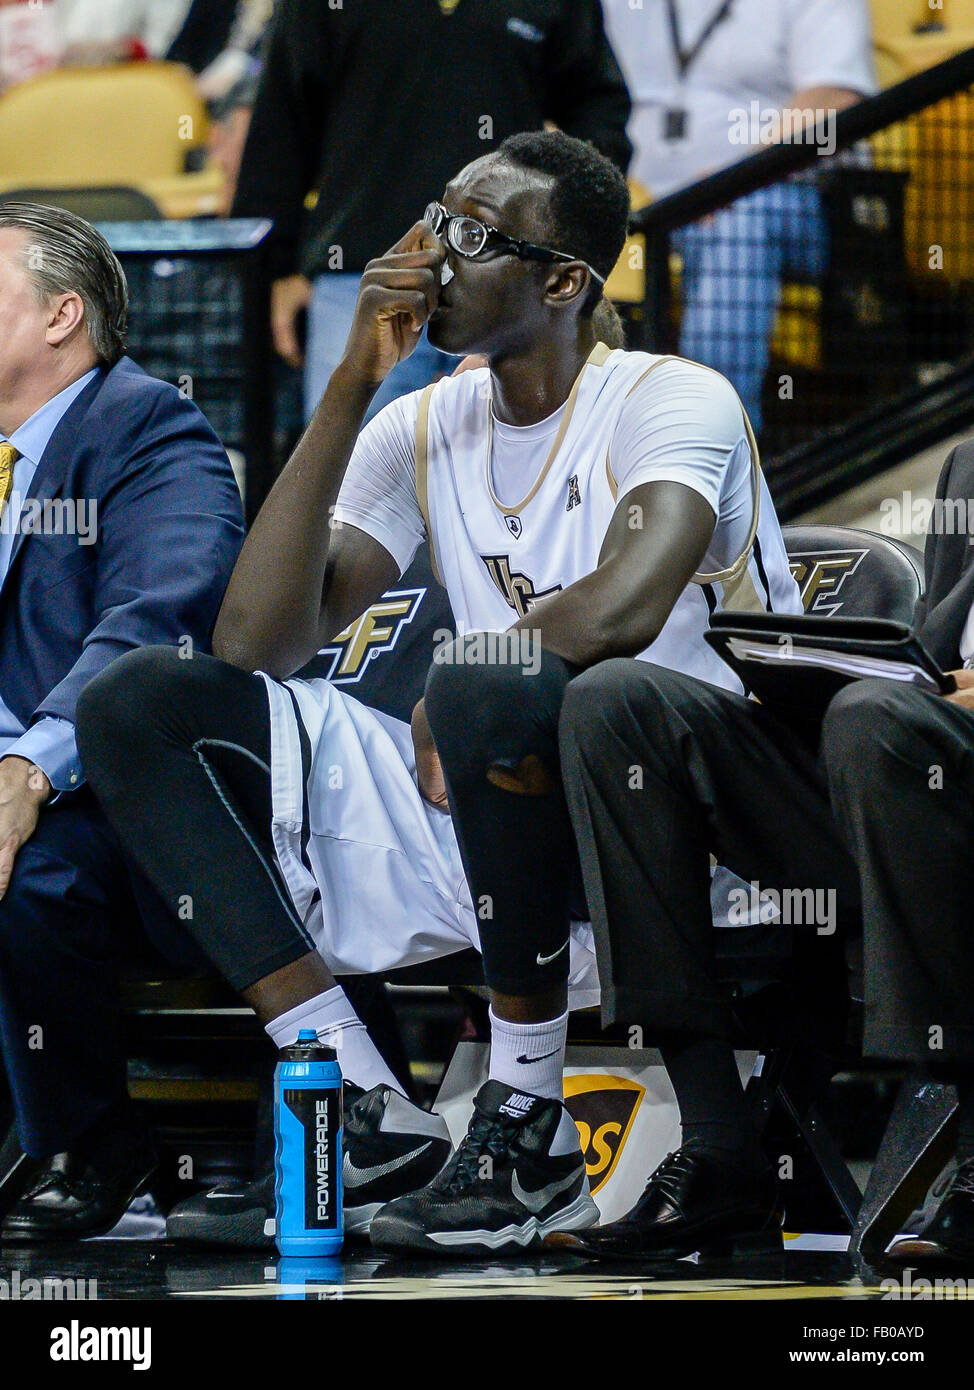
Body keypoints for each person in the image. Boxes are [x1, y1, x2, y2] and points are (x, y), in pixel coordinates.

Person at [77, 130, 801, 1257]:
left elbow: (621, 611)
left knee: (486, 684)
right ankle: (364, 1103)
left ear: (564, 282)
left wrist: (472, 667)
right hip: (508, 808)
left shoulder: (673, 398)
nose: (430, 257)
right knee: (138, 702)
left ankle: (525, 1125)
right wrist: (353, 377)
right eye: (435, 219)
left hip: (685, 831)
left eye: (474, 237)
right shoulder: (424, 421)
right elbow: (255, 640)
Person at [548, 441, 974, 1263]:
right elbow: (934, 660)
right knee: (616, 705)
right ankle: (719, 1147)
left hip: (924, 776)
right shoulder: (968, 467)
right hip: (905, 787)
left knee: (874, 720)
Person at [0, 202, 244, 1242]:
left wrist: (29, 767)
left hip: (130, 799)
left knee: (32, 857)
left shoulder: (148, 426)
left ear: (62, 315)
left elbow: (159, 621)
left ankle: (90, 1142)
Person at [230, 0, 632, 424]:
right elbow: (281, 123)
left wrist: (565, 225)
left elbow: (599, 108)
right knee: (351, 474)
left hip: (512, 283)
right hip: (364, 271)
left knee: (524, 472)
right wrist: (279, 268)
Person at [599, 0, 875, 431]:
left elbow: (835, 98)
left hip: (787, 200)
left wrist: (734, 181)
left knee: (738, 219)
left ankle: (709, 439)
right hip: (650, 209)